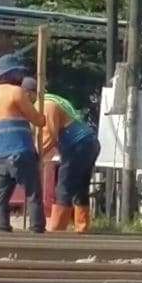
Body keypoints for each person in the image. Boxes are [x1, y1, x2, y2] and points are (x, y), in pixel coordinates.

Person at [0, 53, 48, 234]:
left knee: (1, 197)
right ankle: (37, 228)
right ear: (12, 73)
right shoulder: (17, 92)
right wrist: (41, 115)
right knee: (33, 193)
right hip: (21, 152)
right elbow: (38, 120)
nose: (22, 76)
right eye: (19, 72)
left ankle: (2, 227)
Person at [38, 88, 101, 233]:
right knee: (80, 186)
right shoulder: (55, 100)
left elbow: (50, 136)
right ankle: (82, 226)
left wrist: (37, 154)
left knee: (64, 184)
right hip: (89, 142)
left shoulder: (47, 105)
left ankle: (58, 227)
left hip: (77, 144)